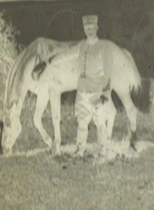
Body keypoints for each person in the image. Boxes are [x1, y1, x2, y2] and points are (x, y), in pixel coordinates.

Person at [36, 15, 113, 156]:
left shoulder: (103, 47)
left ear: (97, 28)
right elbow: (65, 55)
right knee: (82, 121)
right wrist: (46, 63)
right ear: (84, 29)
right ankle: (80, 149)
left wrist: (105, 93)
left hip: (97, 90)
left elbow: (108, 72)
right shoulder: (82, 45)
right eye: (87, 28)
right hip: (82, 89)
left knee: (100, 121)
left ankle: (103, 149)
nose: (89, 30)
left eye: (92, 28)